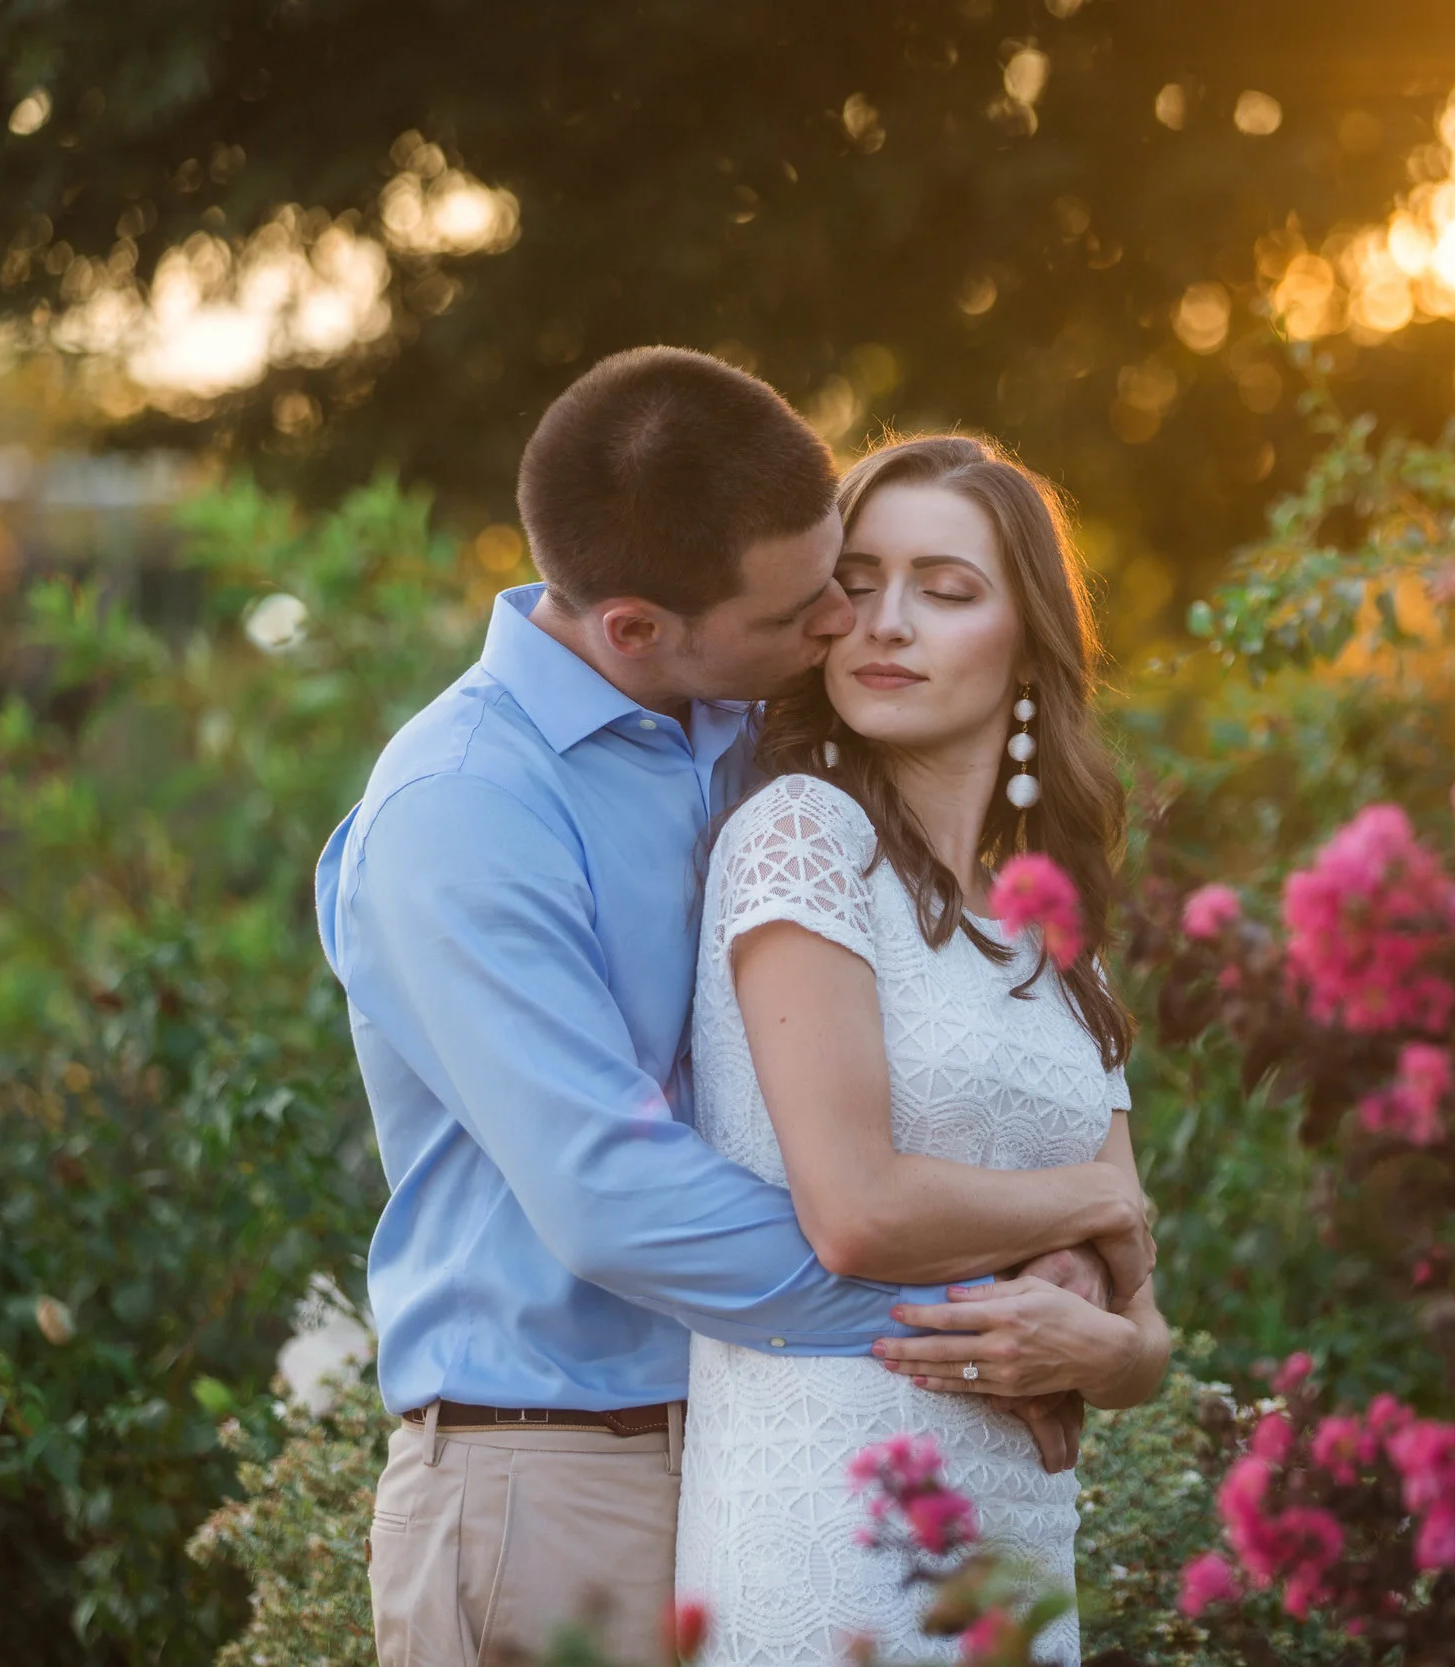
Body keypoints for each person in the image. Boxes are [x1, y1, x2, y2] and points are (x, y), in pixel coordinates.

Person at [316, 351, 1157, 1667]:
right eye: (809, 601)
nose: (842, 619)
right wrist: (987, 1320)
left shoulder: (726, 725)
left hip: (758, 1433)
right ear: (637, 626)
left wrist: (1084, 1304)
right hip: (552, 1476)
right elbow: (615, 1197)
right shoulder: (462, 809)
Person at [677, 434, 1170, 1665]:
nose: (887, 621)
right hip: (828, 1511)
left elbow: (1139, 1313)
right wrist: (1096, 1205)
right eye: (861, 581)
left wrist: (1109, 1354)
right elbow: (853, 1207)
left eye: (946, 592)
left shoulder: (1055, 930)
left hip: (1015, 1539)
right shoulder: (800, 835)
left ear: (1026, 645)